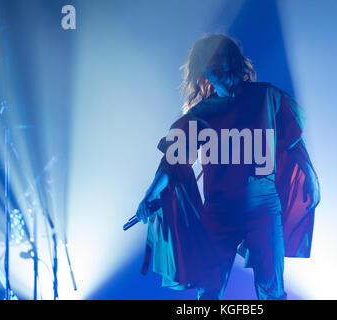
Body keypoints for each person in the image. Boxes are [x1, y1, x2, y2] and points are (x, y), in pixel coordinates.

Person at [136, 34, 320, 300]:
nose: (216, 64)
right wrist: (150, 194)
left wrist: (311, 177)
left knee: (271, 288)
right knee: (209, 290)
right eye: (210, 61)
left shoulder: (267, 96)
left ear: (232, 60)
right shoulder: (203, 113)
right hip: (218, 211)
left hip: (263, 207)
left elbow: (293, 140)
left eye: (220, 57)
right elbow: (172, 160)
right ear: (204, 71)